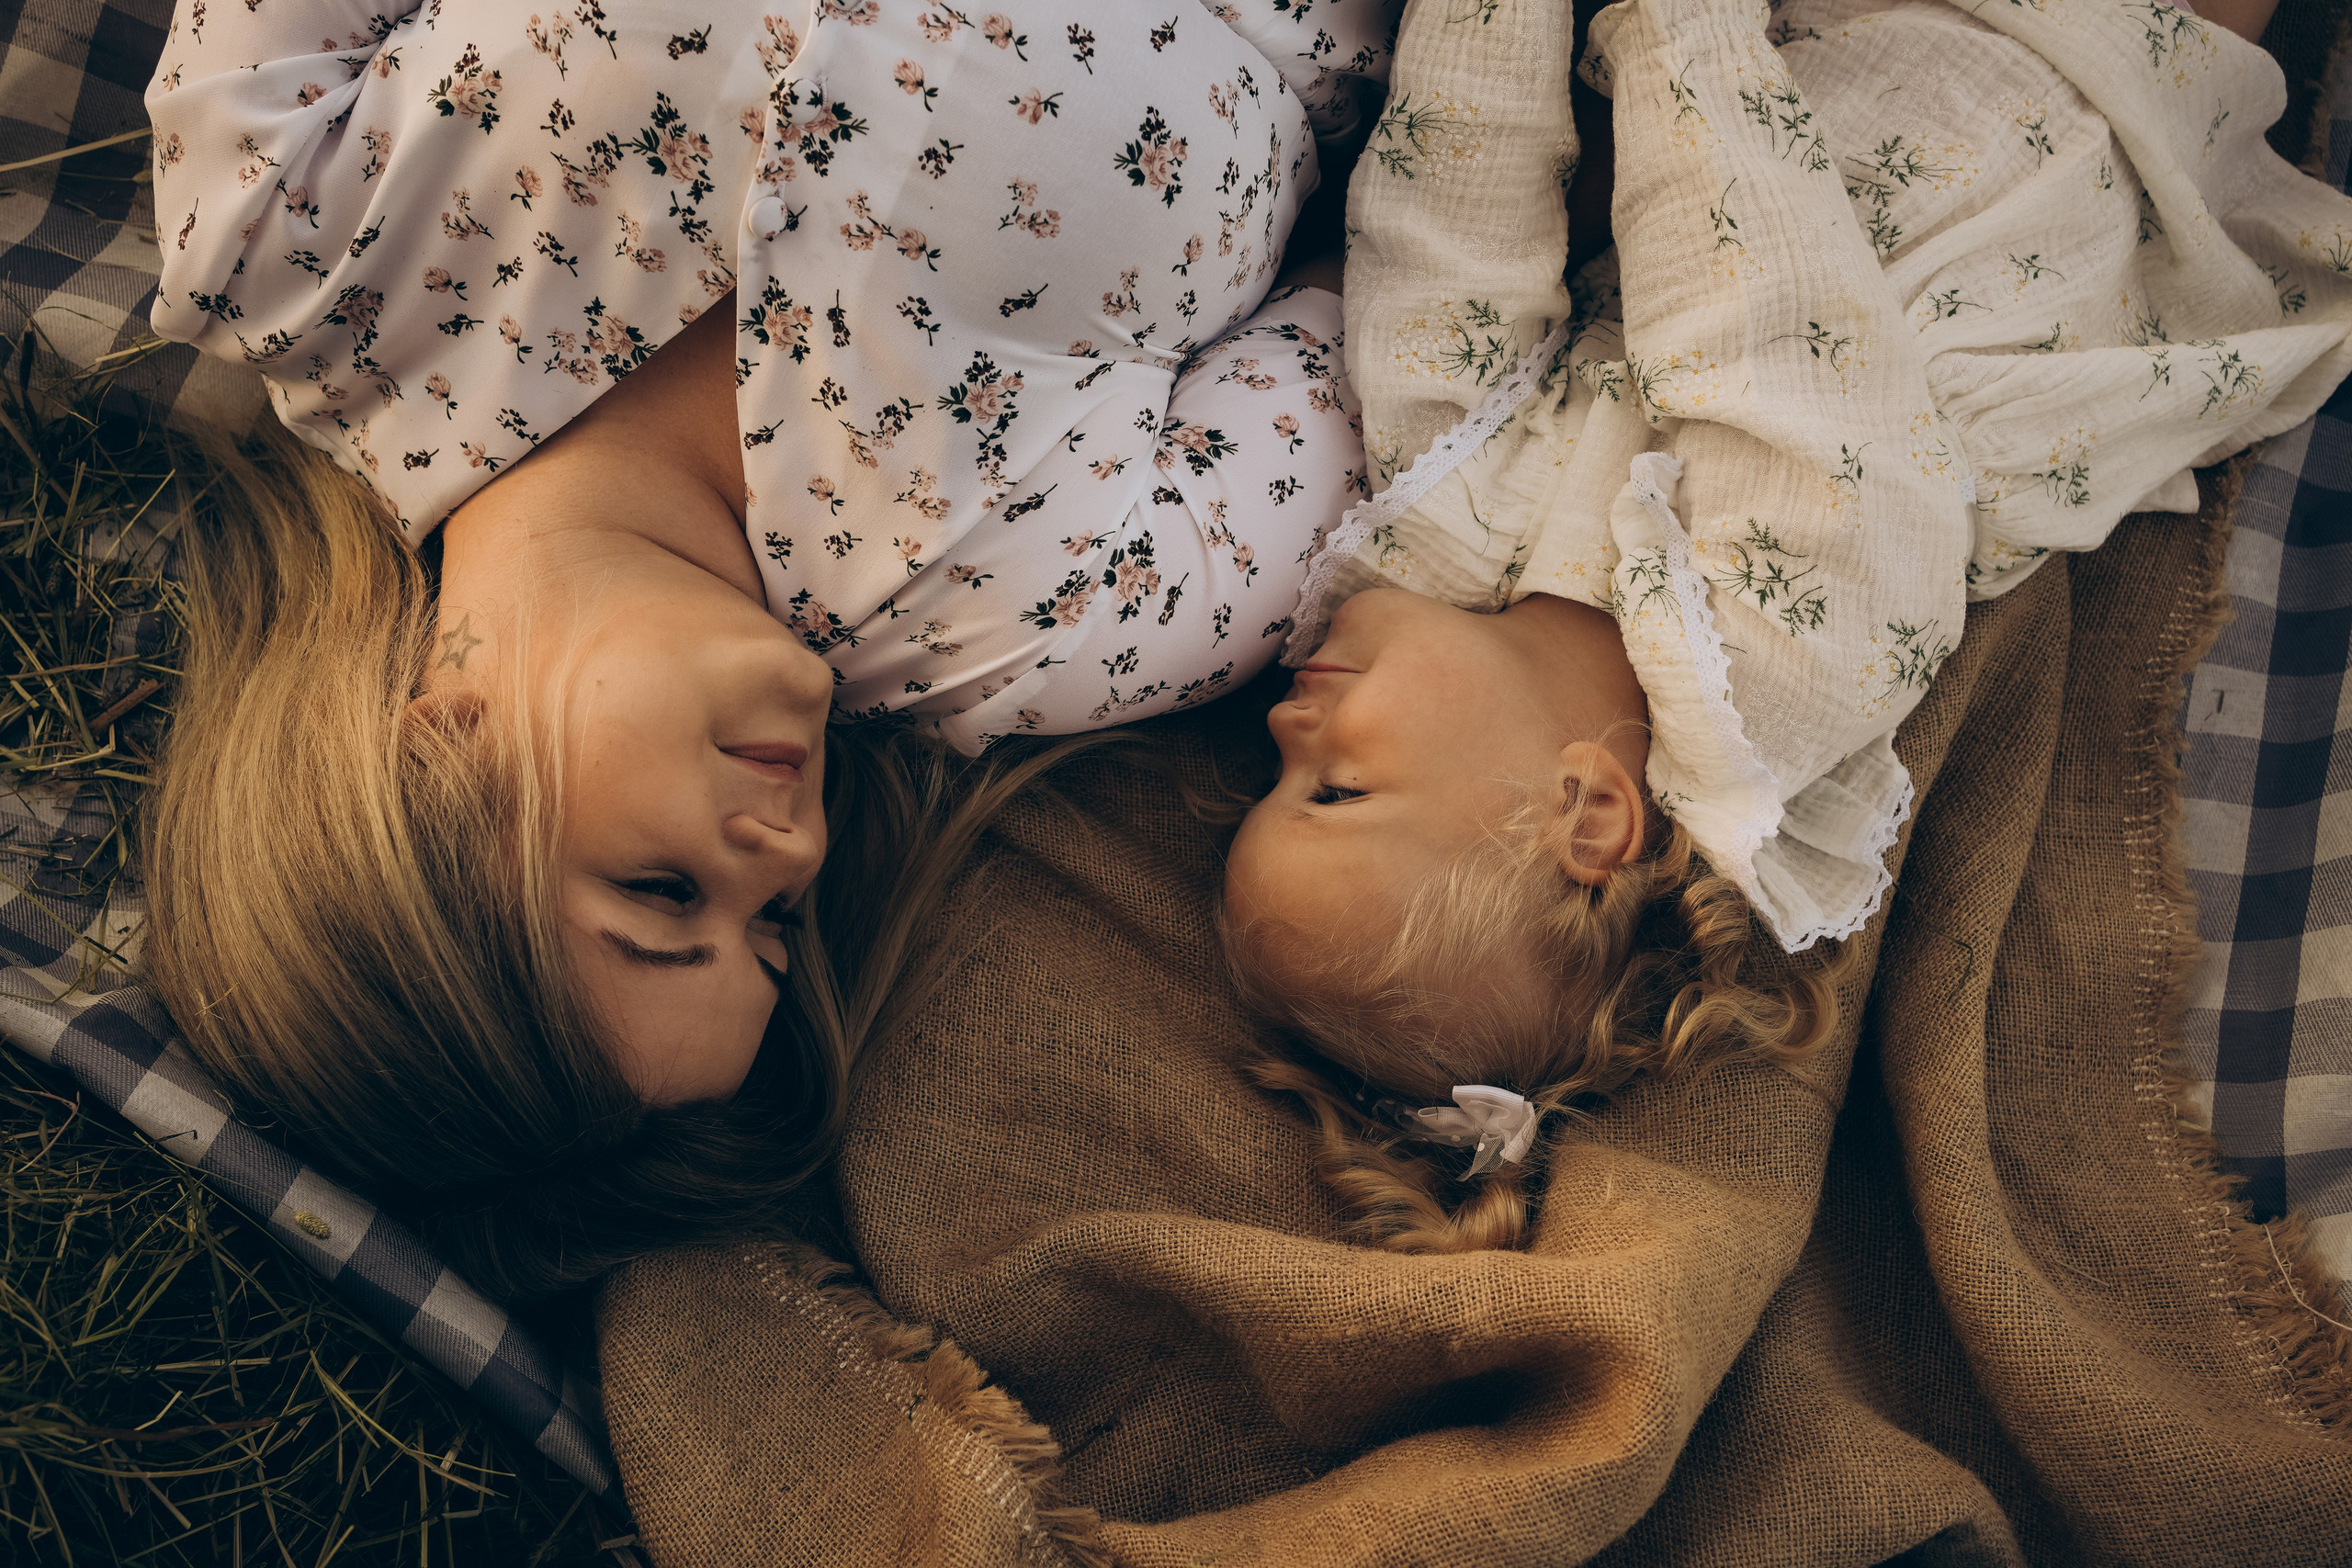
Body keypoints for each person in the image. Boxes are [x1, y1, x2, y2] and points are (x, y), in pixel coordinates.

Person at [137, 0, 1395, 1299]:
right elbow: (1399, 319)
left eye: (666, 895)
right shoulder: (1032, 629)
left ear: (436, 757)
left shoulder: (283, 243)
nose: (789, 851)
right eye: (778, 921)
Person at [1218, 0, 2352, 1250]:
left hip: (1806, 67)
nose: (1285, 720)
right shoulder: (1775, 684)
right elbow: (1773, 346)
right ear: (1587, 812)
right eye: (1329, 788)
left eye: (1272, 771)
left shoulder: (1444, 513)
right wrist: (1673, 28)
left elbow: (1447, 227)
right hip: (2068, 125)